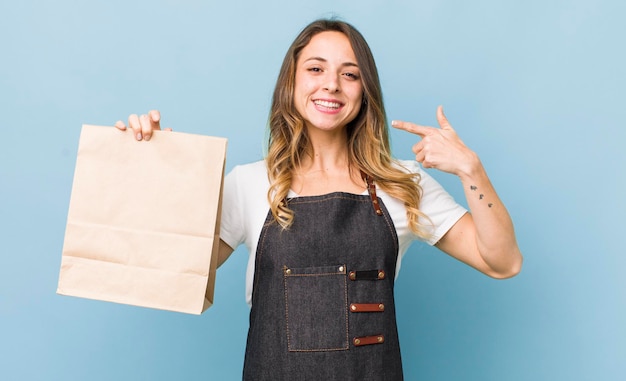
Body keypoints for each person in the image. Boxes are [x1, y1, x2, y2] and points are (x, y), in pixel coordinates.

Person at [115, 18, 522, 381]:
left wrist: (472, 170)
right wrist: (158, 169)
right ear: (291, 82)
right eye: (315, 69)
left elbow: (502, 262)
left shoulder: (402, 183)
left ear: (365, 91)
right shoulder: (250, 183)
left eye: (350, 74)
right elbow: (173, 277)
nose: (331, 84)